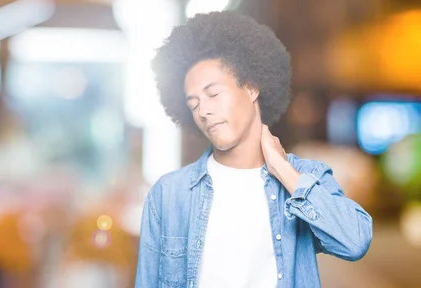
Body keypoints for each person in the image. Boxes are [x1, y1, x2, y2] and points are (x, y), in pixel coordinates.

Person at [135, 11, 372, 288]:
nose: (204, 111)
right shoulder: (168, 195)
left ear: (251, 88)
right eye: (194, 103)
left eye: (213, 94)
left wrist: (283, 170)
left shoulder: (304, 178)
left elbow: (355, 242)